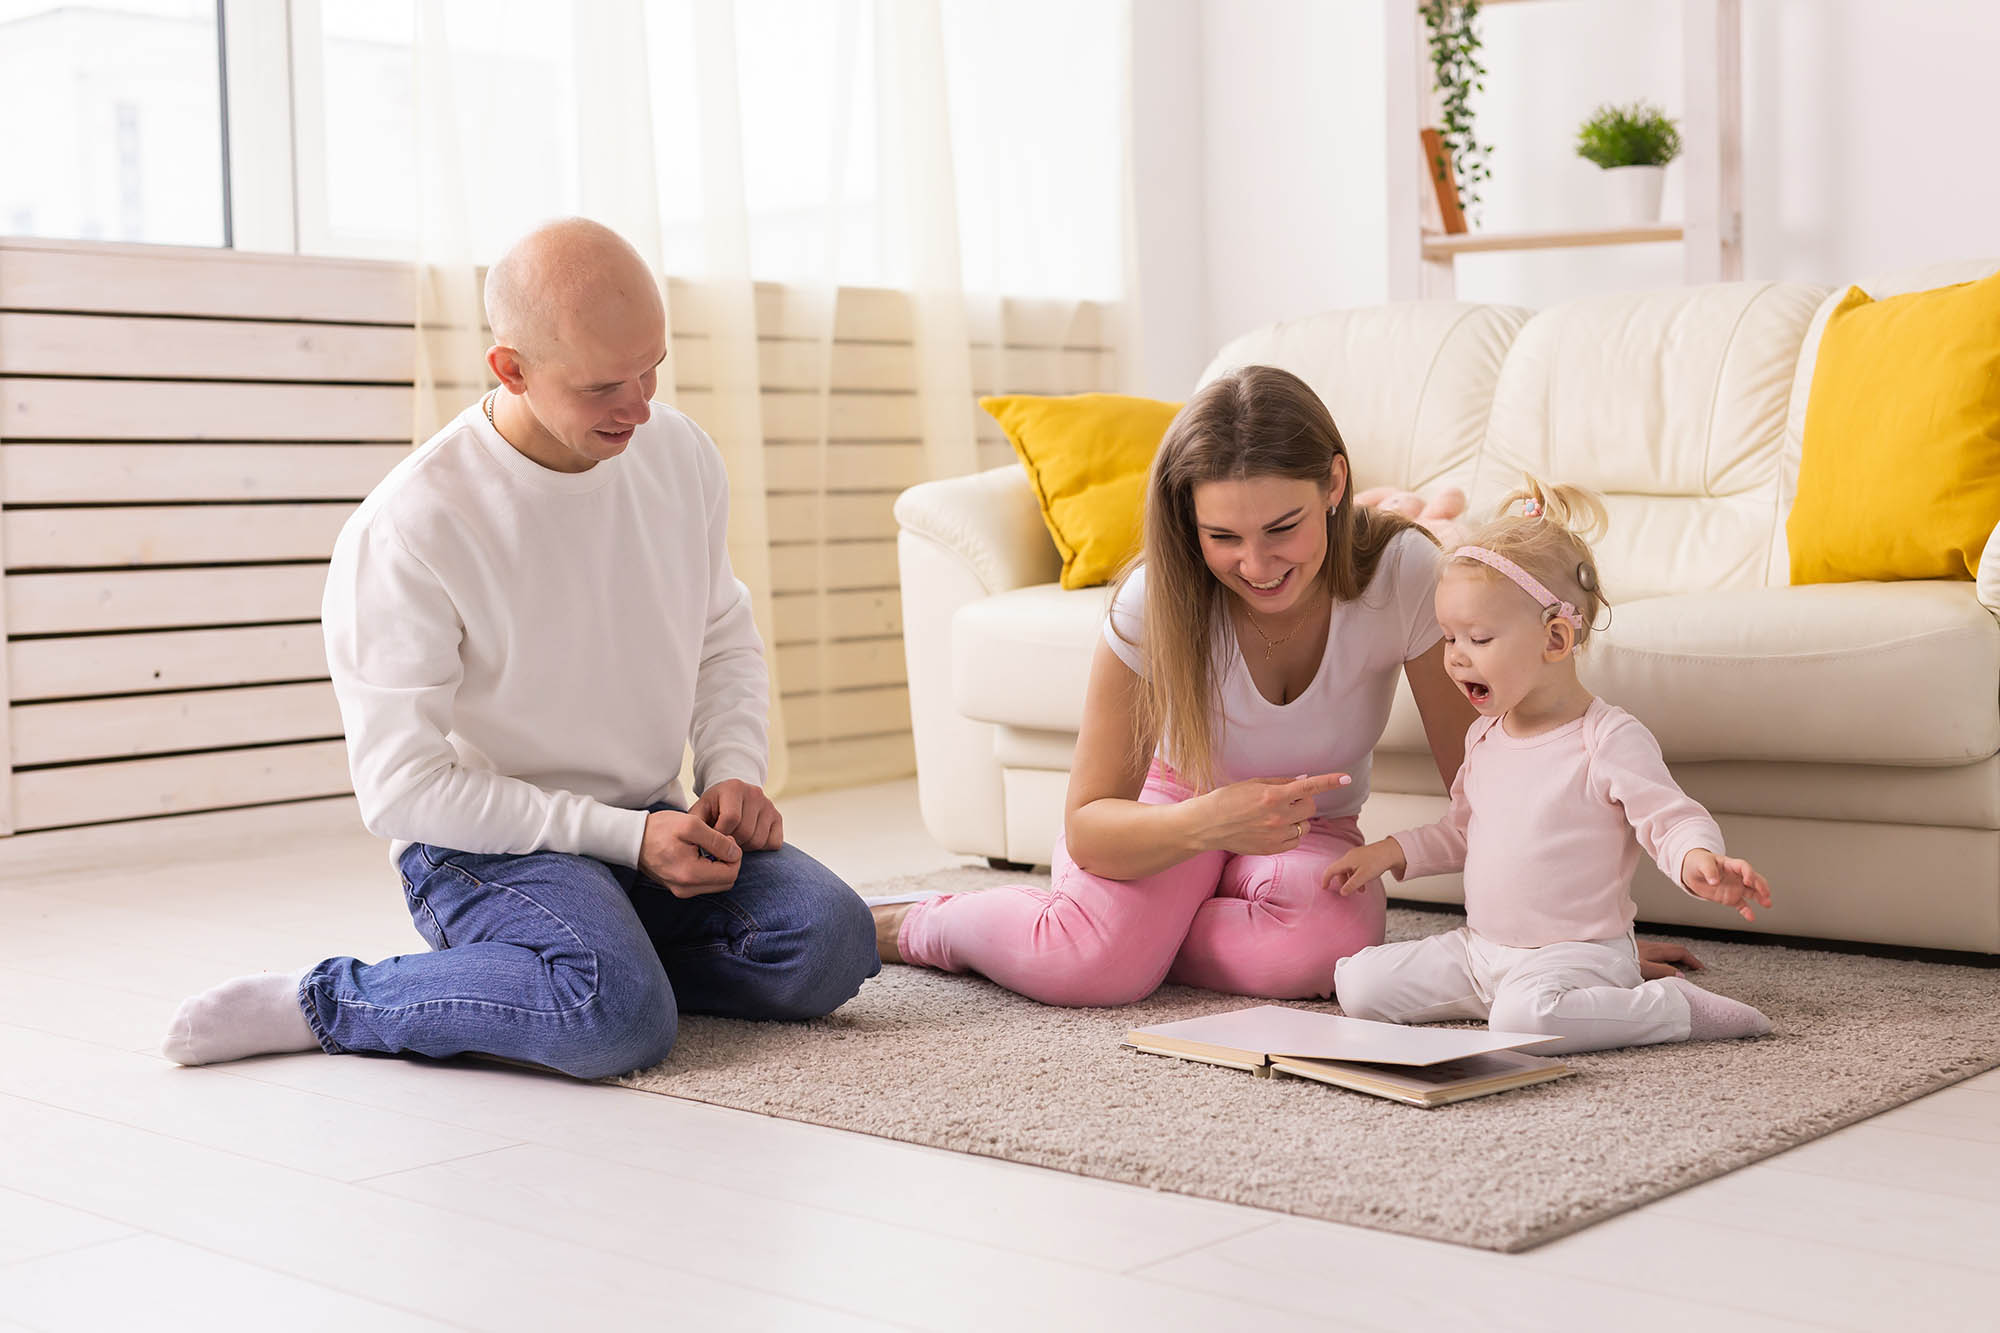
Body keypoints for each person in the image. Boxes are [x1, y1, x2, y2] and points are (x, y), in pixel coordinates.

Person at [162, 218, 877, 1077]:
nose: (641, 406)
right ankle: (330, 998)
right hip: (479, 847)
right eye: (606, 384)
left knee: (834, 941)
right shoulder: (412, 526)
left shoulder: (677, 453)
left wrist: (730, 766)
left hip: (646, 821)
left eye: (653, 367)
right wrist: (623, 841)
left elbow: (721, 629)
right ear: (511, 369)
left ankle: (589, 969)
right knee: (616, 1022)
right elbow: (403, 790)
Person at [870, 366, 1703, 1006]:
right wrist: (1209, 820)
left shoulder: (1403, 573)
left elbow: (1492, 783)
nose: (1258, 566)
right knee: (1090, 969)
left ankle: (1135, 935)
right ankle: (925, 922)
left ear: (1334, 485)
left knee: (1323, 956)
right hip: (1173, 818)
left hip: (1309, 835)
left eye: (1283, 528)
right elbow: (1091, 830)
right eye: (1223, 537)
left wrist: (1574, 945)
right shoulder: (1152, 602)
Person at [1325, 479, 1773, 1053]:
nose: (1456, 656)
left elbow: (1669, 818)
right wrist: (1391, 851)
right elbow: (1462, 831)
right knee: (1357, 985)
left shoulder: (1605, 738)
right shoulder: (1484, 736)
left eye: (1479, 638)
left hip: (1578, 953)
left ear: (1556, 639)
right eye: (1448, 637)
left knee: (1526, 1021)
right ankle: (1517, 1003)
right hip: (1480, 950)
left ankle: (1670, 1007)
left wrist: (1698, 859)